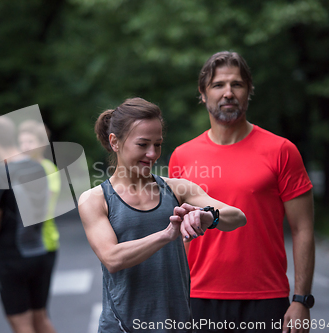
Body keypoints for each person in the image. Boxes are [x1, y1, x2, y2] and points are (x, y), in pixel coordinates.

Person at [168, 51, 315, 333]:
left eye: (236, 84)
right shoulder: (182, 156)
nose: (228, 93)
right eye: (218, 85)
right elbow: (178, 232)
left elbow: (303, 229)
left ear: (249, 91)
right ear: (202, 93)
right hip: (198, 298)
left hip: (266, 298)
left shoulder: (282, 151)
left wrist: (301, 301)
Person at [78, 97, 246, 332]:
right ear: (115, 142)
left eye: (157, 144)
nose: (152, 153)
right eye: (143, 144)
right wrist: (166, 235)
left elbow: (238, 216)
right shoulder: (95, 199)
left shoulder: (177, 189)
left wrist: (209, 216)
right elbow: (113, 259)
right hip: (122, 327)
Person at [0, 115, 57, 333]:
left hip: (12, 257)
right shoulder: (37, 167)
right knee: (41, 318)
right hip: (38, 250)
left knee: (21, 324)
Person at [18, 120, 60, 254]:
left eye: (30, 142)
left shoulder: (48, 169)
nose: (25, 146)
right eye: (21, 142)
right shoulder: (19, 169)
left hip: (45, 240)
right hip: (22, 241)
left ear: (42, 144)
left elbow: (44, 202)